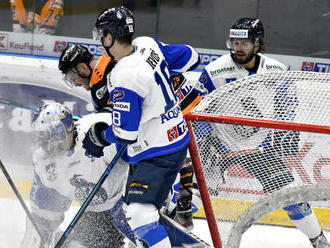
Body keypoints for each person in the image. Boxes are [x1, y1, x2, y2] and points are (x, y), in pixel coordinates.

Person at [197, 17, 330, 248]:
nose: (238, 49)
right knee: (192, 189)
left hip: (260, 148)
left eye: (244, 43)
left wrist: (284, 129)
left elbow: (286, 105)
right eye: (234, 43)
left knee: (290, 196)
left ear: (258, 44)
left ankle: (318, 240)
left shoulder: (275, 71)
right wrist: (203, 138)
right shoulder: (215, 71)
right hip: (220, 147)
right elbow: (198, 107)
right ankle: (177, 229)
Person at [81, 6, 199, 247]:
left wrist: (98, 137)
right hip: (174, 140)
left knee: (139, 216)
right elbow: (192, 56)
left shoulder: (123, 75)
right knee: (141, 212)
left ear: (110, 37)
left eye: (101, 35)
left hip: (157, 152)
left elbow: (126, 133)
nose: (100, 41)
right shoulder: (149, 44)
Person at [58, 43, 202, 230]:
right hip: (190, 116)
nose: (76, 83)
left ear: (83, 68)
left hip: (175, 124)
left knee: (148, 159)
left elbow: (126, 126)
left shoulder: (105, 81)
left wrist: (100, 135)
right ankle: (176, 202)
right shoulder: (127, 53)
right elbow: (191, 56)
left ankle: (173, 201)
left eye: (72, 77)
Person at [20, 102, 132, 248]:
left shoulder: (97, 130)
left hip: (130, 204)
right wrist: (41, 235)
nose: (44, 142)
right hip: (96, 215)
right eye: (41, 135)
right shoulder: (44, 162)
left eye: (47, 135)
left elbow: (141, 147)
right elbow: (45, 212)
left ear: (60, 133)